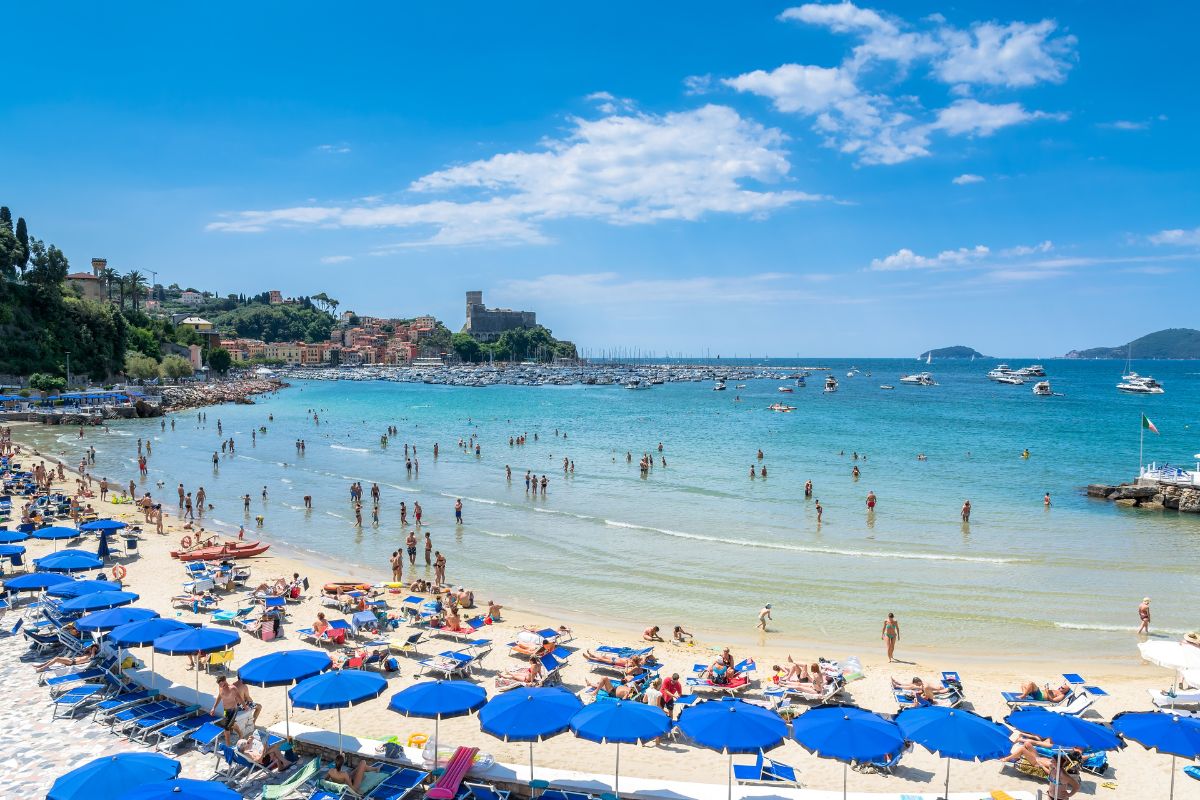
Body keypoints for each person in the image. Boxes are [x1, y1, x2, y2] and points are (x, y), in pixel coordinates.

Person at [210, 675, 247, 745]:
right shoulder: (220, 687)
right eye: (219, 684)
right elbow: (219, 696)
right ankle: (241, 734)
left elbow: (239, 698)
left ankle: (228, 746)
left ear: (225, 681)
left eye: (222, 684)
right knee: (232, 724)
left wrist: (245, 706)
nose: (221, 686)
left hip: (233, 710)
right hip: (226, 710)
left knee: (226, 728)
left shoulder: (232, 688)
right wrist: (214, 707)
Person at [34, 644, 99, 672]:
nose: (91, 648)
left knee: (57, 659)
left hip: (72, 662)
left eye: (92, 648)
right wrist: (89, 649)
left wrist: (93, 649)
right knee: (55, 658)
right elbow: (87, 649)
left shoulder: (91, 655)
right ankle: (41, 665)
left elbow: (94, 650)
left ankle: (42, 668)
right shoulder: (86, 653)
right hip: (71, 660)